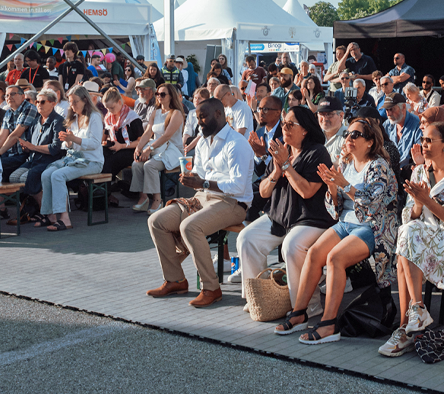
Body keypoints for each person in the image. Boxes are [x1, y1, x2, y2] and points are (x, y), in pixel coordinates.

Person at [277, 118, 398, 343]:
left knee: (335, 258)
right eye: (347, 134)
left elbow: (372, 206)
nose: (349, 138)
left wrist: (343, 184)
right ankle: (299, 313)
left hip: (372, 227)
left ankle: (329, 323)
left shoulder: (379, 166)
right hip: (345, 223)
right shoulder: (345, 162)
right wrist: (332, 188)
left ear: (370, 142)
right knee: (314, 253)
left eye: (356, 135)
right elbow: (335, 209)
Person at [379, 122, 444, 357]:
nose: (423, 144)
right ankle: (414, 313)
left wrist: (427, 200)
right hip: (422, 236)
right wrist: (417, 203)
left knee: (406, 243)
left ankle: (408, 324)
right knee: (406, 236)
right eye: (422, 140)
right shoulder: (419, 172)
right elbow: (408, 215)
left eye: (429, 140)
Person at [146, 97, 254, 307]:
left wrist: (203, 182)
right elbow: (202, 175)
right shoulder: (204, 140)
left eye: (203, 117)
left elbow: (238, 186)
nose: (199, 123)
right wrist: (192, 178)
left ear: (219, 114)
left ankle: (211, 288)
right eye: (197, 118)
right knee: (157, 221)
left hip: (233, 203)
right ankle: (175, 280)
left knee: (190, 226)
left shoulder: (237, 143)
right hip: (204, 197)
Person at [237, 106, 335, 314]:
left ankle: (306, 305)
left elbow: (307, 191)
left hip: (310, 218)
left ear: (305, 129)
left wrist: (286, 166)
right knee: (247, 238)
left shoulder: (317, 152)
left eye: (291, 124)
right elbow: (263, 192)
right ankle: (258, 295)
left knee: (291, 246)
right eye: (284, 124)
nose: (285, 128)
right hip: (281, 215)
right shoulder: (283, 151)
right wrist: (276, 171)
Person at [36, 85, 104, 231]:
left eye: (75, 102)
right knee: (46, 174)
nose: (72, 106)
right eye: (70, 102)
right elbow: (70, 146)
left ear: (85, 100)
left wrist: (74, 139)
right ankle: (50, 215)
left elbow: (95, 143)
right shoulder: (74, 117)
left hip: (92, 161)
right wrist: (67, 141)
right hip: (74, 158)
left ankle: (65, 219)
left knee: (58, 175)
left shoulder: (95, 116)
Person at [5, 89, 66, 224]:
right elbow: (30, 144)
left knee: (26, 178)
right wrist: (26, 147)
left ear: (53, 103)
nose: (38, 104)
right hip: (33, 159)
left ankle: (46, 212)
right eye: (37, 101)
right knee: (13, 177)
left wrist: (33, 147)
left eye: (42, 102)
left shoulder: (58, 121)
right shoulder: (36, 121)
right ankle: (35, 208)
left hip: (50, 160)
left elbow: (55, 148)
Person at [129, 83, 184, 213]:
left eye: (163, 94)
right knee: (136, 164)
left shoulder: (176, 113)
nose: (159, 96)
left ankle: (157, 200)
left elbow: (167, 136)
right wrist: (139, 148)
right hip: (157, 148)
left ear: (171, 96)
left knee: (150, 166)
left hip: (172, 150)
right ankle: (143, 198)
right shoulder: (155, 112)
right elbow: (148, 132)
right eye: (157, 94)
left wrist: (149, 149)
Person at [0, 84, 40, 181]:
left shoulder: (30, 108)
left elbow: (16, 135)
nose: (9, 97)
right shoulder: (8, 112)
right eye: (7, 95)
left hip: (25, 154)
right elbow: (2, 136)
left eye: (13, 94)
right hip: (10, 153)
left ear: (23, 96)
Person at [383, 92, 421, 177]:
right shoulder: (387, 124)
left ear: (403, 107)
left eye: (392, 109)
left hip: (408, 173)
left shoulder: (417, 125)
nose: (388, 114)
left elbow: (420, 154)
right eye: (387, 110)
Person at [317, 98, 346, 162]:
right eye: (321, 114)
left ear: (341, 116)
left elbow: (345, 165)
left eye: (329, 114)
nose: (324, 118)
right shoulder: (314, 136)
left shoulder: (348, 138)